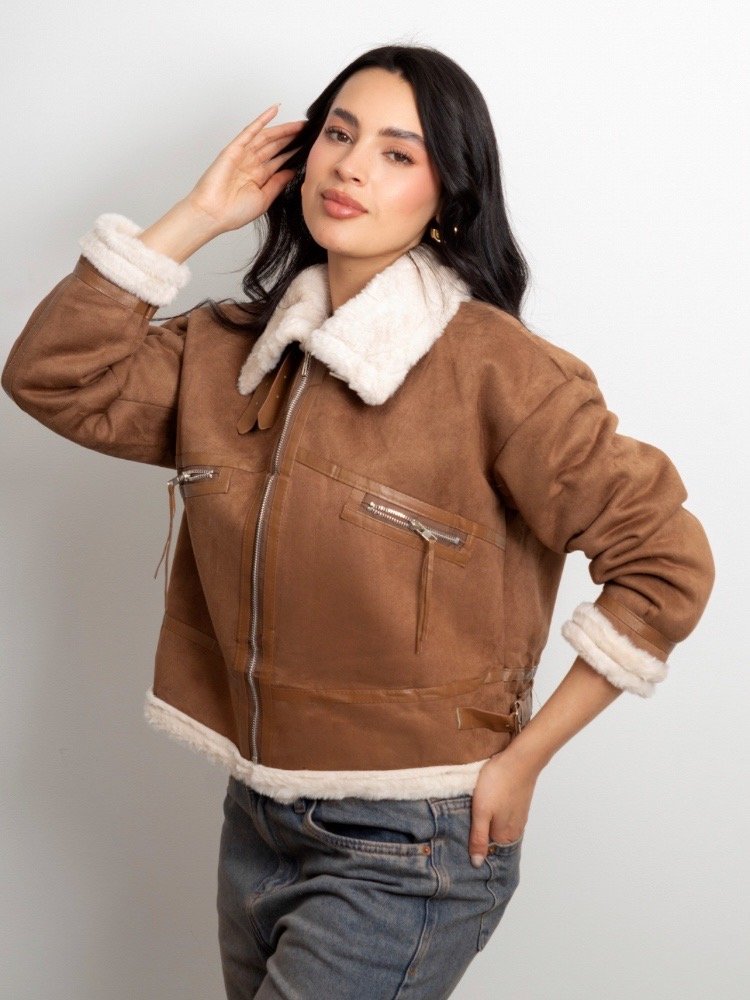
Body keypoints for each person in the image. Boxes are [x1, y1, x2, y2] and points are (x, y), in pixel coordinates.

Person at [2, 42, 714, 1000]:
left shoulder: (500, 372)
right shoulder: (228, 353)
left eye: (396, 153)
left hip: (413, 844)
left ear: (448, 198)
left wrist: (523, 762)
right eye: (338, 136)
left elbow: (665, 563)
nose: (350, 167)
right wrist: (200, 214)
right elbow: (53, 376)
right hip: (256, 821)